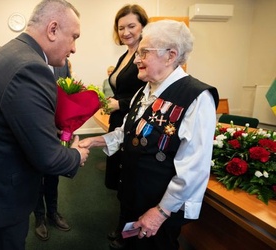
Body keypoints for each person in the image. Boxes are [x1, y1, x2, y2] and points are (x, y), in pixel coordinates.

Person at [0, 1, 88, 250]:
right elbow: (48, 158)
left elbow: (16, 122)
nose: (74, 48)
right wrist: (76, 155)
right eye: (74, 38)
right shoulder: (31, 67)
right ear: (53, 29)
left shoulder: (12, 53)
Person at [79, 20, 219, 250]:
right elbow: (126, 133)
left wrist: (161, 212)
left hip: (159, 207)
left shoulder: (196, 97)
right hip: (133, 196)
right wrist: (95, 140)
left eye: (144, 52)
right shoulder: (144, 91)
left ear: (171, 55)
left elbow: (193, 168)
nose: (136, 59)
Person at [104, 4, 149, 249]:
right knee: (122, 179)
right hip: (119, 120)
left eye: (131, 26)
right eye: (121, 27)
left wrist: (119, 103)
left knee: (131, 180)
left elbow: (146, 92)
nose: (125, 32)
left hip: (132, 122)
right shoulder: (126, 54)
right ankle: (125, 226)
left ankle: (129, 232)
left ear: (143, 26)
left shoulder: (144, 53)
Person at [33, 58, 72, 241]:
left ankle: (53, 213)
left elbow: (68, 96)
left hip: (56, 132)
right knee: (34, 178)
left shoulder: (63, 64)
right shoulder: (30, 61)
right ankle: (39, 217)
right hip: (32, 132)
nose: (72, 48)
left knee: (52, 176)